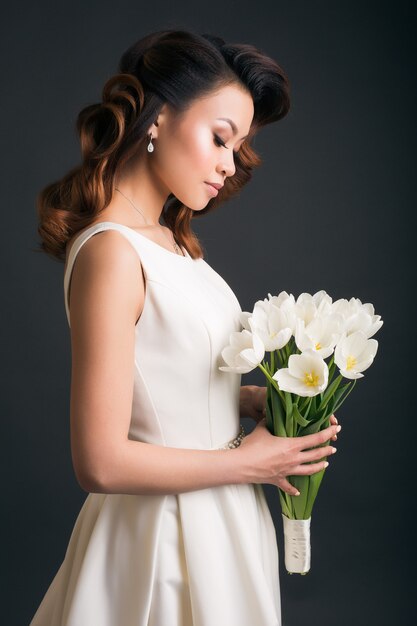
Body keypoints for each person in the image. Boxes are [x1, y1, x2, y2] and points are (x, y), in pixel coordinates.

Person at [30, 28, 341, 626]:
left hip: (224, 523)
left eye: (239, 147)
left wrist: (256, 401)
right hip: (162, 541)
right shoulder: (113, 253)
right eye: (221, 138)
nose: (229, 164)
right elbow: (98, 460)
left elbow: (165, 384)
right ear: (157, 117)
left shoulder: (173, 242)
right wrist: (252, 463)